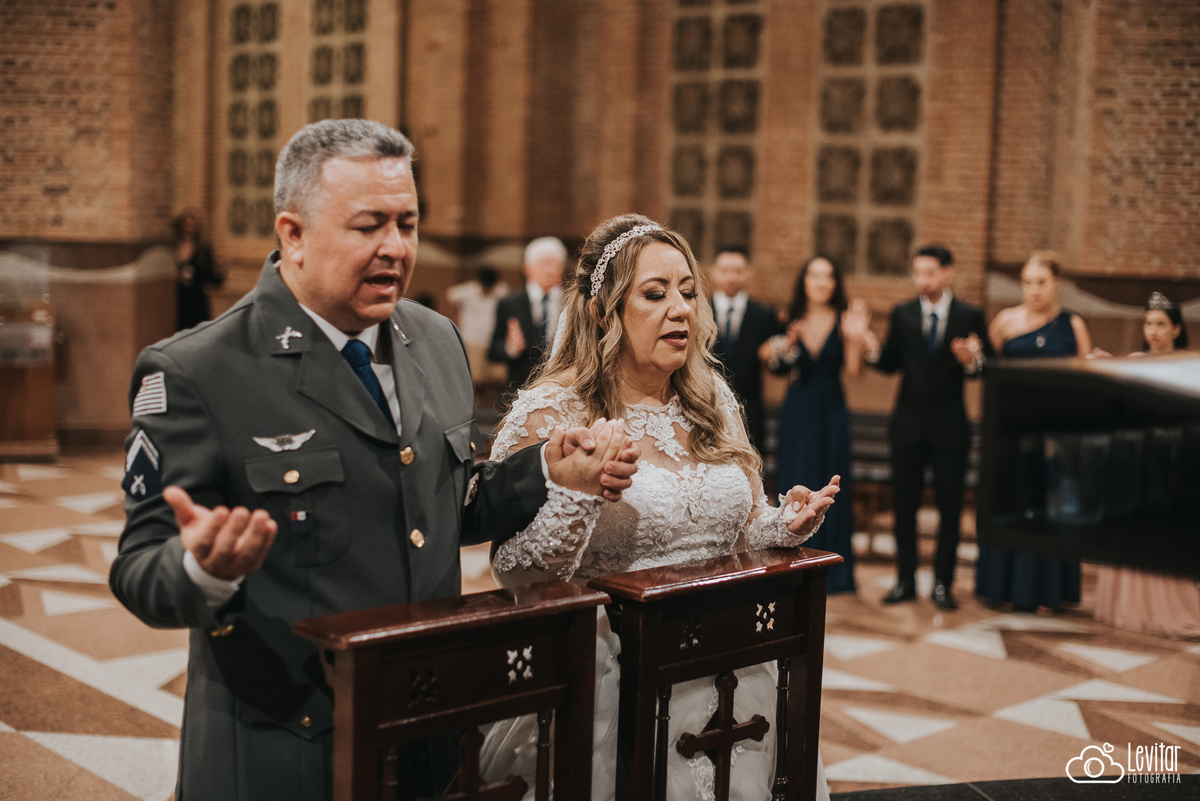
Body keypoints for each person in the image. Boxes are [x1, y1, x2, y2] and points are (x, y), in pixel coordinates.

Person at [108, 119, 638, 801]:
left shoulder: (435, 339)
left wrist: (544, 472)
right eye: (369, 226)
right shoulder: (199, 371)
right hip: (291, 750)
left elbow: (439, 505)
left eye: (407, 223)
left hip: (425, 735)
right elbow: (138, 567)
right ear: (293, 234)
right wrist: (200, 567)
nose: (396, 247)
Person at [478, 214, 839, 801]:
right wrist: (578, 495)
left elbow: (745, 522)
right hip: (614, 679)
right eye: (655, 293)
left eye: (688, 292)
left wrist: (782, 523)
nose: (681, 310)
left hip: (735, 671)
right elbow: (514, 571)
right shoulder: (551, 413)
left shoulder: (711, 398)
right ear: (603, 310)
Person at [867, 244, 991, 611]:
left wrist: (972, 361)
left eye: (931, 273)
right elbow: (890, 362)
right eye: (918, 273)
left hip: (950, 427)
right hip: (907, 426)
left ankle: (942, 584)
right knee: (905, 507)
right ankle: (905, 580)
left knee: (950, 510)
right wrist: (867, 345)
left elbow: (985, 368)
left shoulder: (970, 314)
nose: (923, 280)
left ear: (948, 272)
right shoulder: (903, 312)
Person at [975, 251, 1091, 613]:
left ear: (1056, 283)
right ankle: (1003, 586)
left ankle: (1048, 592)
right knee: (1012, 504)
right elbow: (986, 371)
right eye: (1027, 282)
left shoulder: (1073, 325)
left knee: (1049, 506)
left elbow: (1086, 380)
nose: (1034, 290)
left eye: (1041, 282)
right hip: (1011, 431)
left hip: (1057, 432)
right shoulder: (1005, 322)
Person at [761, 256, 874, 594]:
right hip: (798, 409)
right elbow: (767, 357)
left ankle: (833, 571)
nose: (822, 282)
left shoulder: (843, 319)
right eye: (815, 275)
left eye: (828, 276)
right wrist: (786, 345)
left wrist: (855, 338)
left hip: (831, 410)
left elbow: (854, 372)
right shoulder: (790, 316)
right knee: (796, 478)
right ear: (805, 281)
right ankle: (789, 566)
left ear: (835, 283)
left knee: (830, 485)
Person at [1094, 292, 1200, 636]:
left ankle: (1165, 606)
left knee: (1160, 528)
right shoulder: (1136, 360)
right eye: (1148, 324)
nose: (1152, 331)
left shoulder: (1187, 365)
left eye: (1160, 324)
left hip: (1170, 457)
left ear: (1176, 329)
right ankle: (1127, 605)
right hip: (1134, 455)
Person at [708, 246, 784, 449]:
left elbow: (779, 367)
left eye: (738, 271)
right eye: (724, 270)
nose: (731, 277)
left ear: (748, 273)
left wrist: (777, 353)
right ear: (713, 272)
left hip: (749, 413)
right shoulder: (698, 311)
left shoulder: (764, 315)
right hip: (706, 409)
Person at [488, 236, 567, 399]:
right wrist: (510, 347)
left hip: (561, 389)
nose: (549, 270)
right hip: (520, 389)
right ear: (527, 268)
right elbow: (493, 351)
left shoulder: (572, 302)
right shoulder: (510, 303)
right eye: (543, 264)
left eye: (555, 264)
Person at [447, 266, 509, 387]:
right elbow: (450, 296)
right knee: (475, 378)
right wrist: (456, 318)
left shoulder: (501, 291)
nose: (487, 290)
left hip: (492, 341)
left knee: (498, 378)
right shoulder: (468, 290)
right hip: (473, 340)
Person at [172, 210, 224, 330]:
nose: (189, 228)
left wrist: (221, 271)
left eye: (192, 225)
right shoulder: (173, 247)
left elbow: (212, 279)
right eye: (186, 224)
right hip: (178, 297)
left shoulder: (202, 250)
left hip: (195, 298)